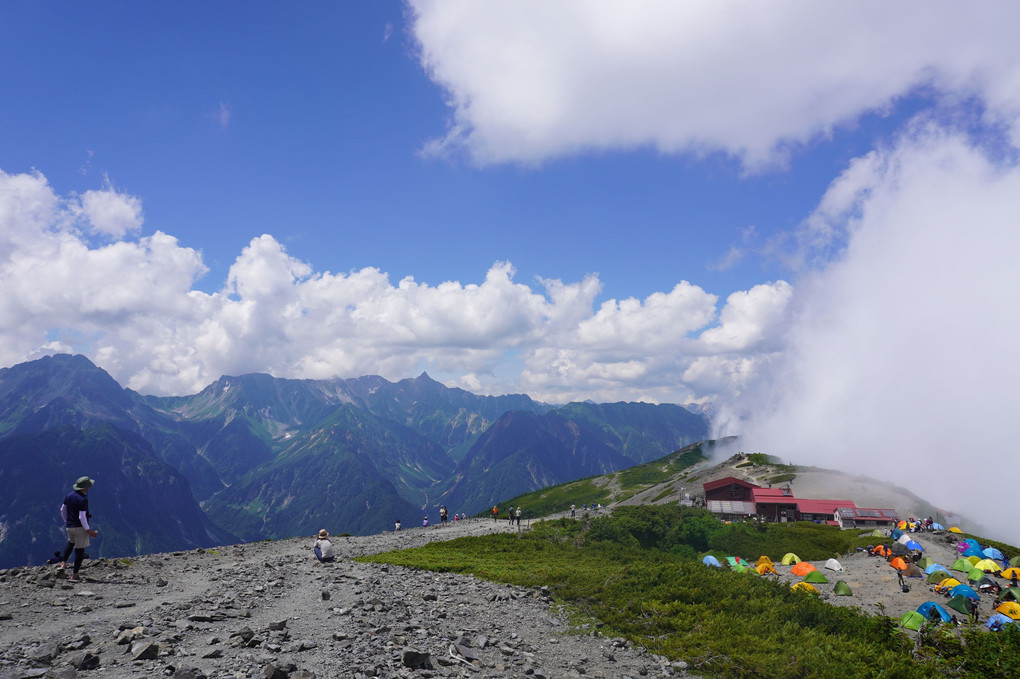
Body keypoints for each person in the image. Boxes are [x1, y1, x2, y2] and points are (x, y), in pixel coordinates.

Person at [58, 476, 98, 581]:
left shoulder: (69, 495)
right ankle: (74, 575)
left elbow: (62, 509)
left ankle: (63, 563)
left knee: (70, 543)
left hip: (69, 527)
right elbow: (82, 517)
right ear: (85, 487)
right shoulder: (83, 499)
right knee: (79, 551)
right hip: (80, 528)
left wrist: (66, 521)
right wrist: (88, 530)